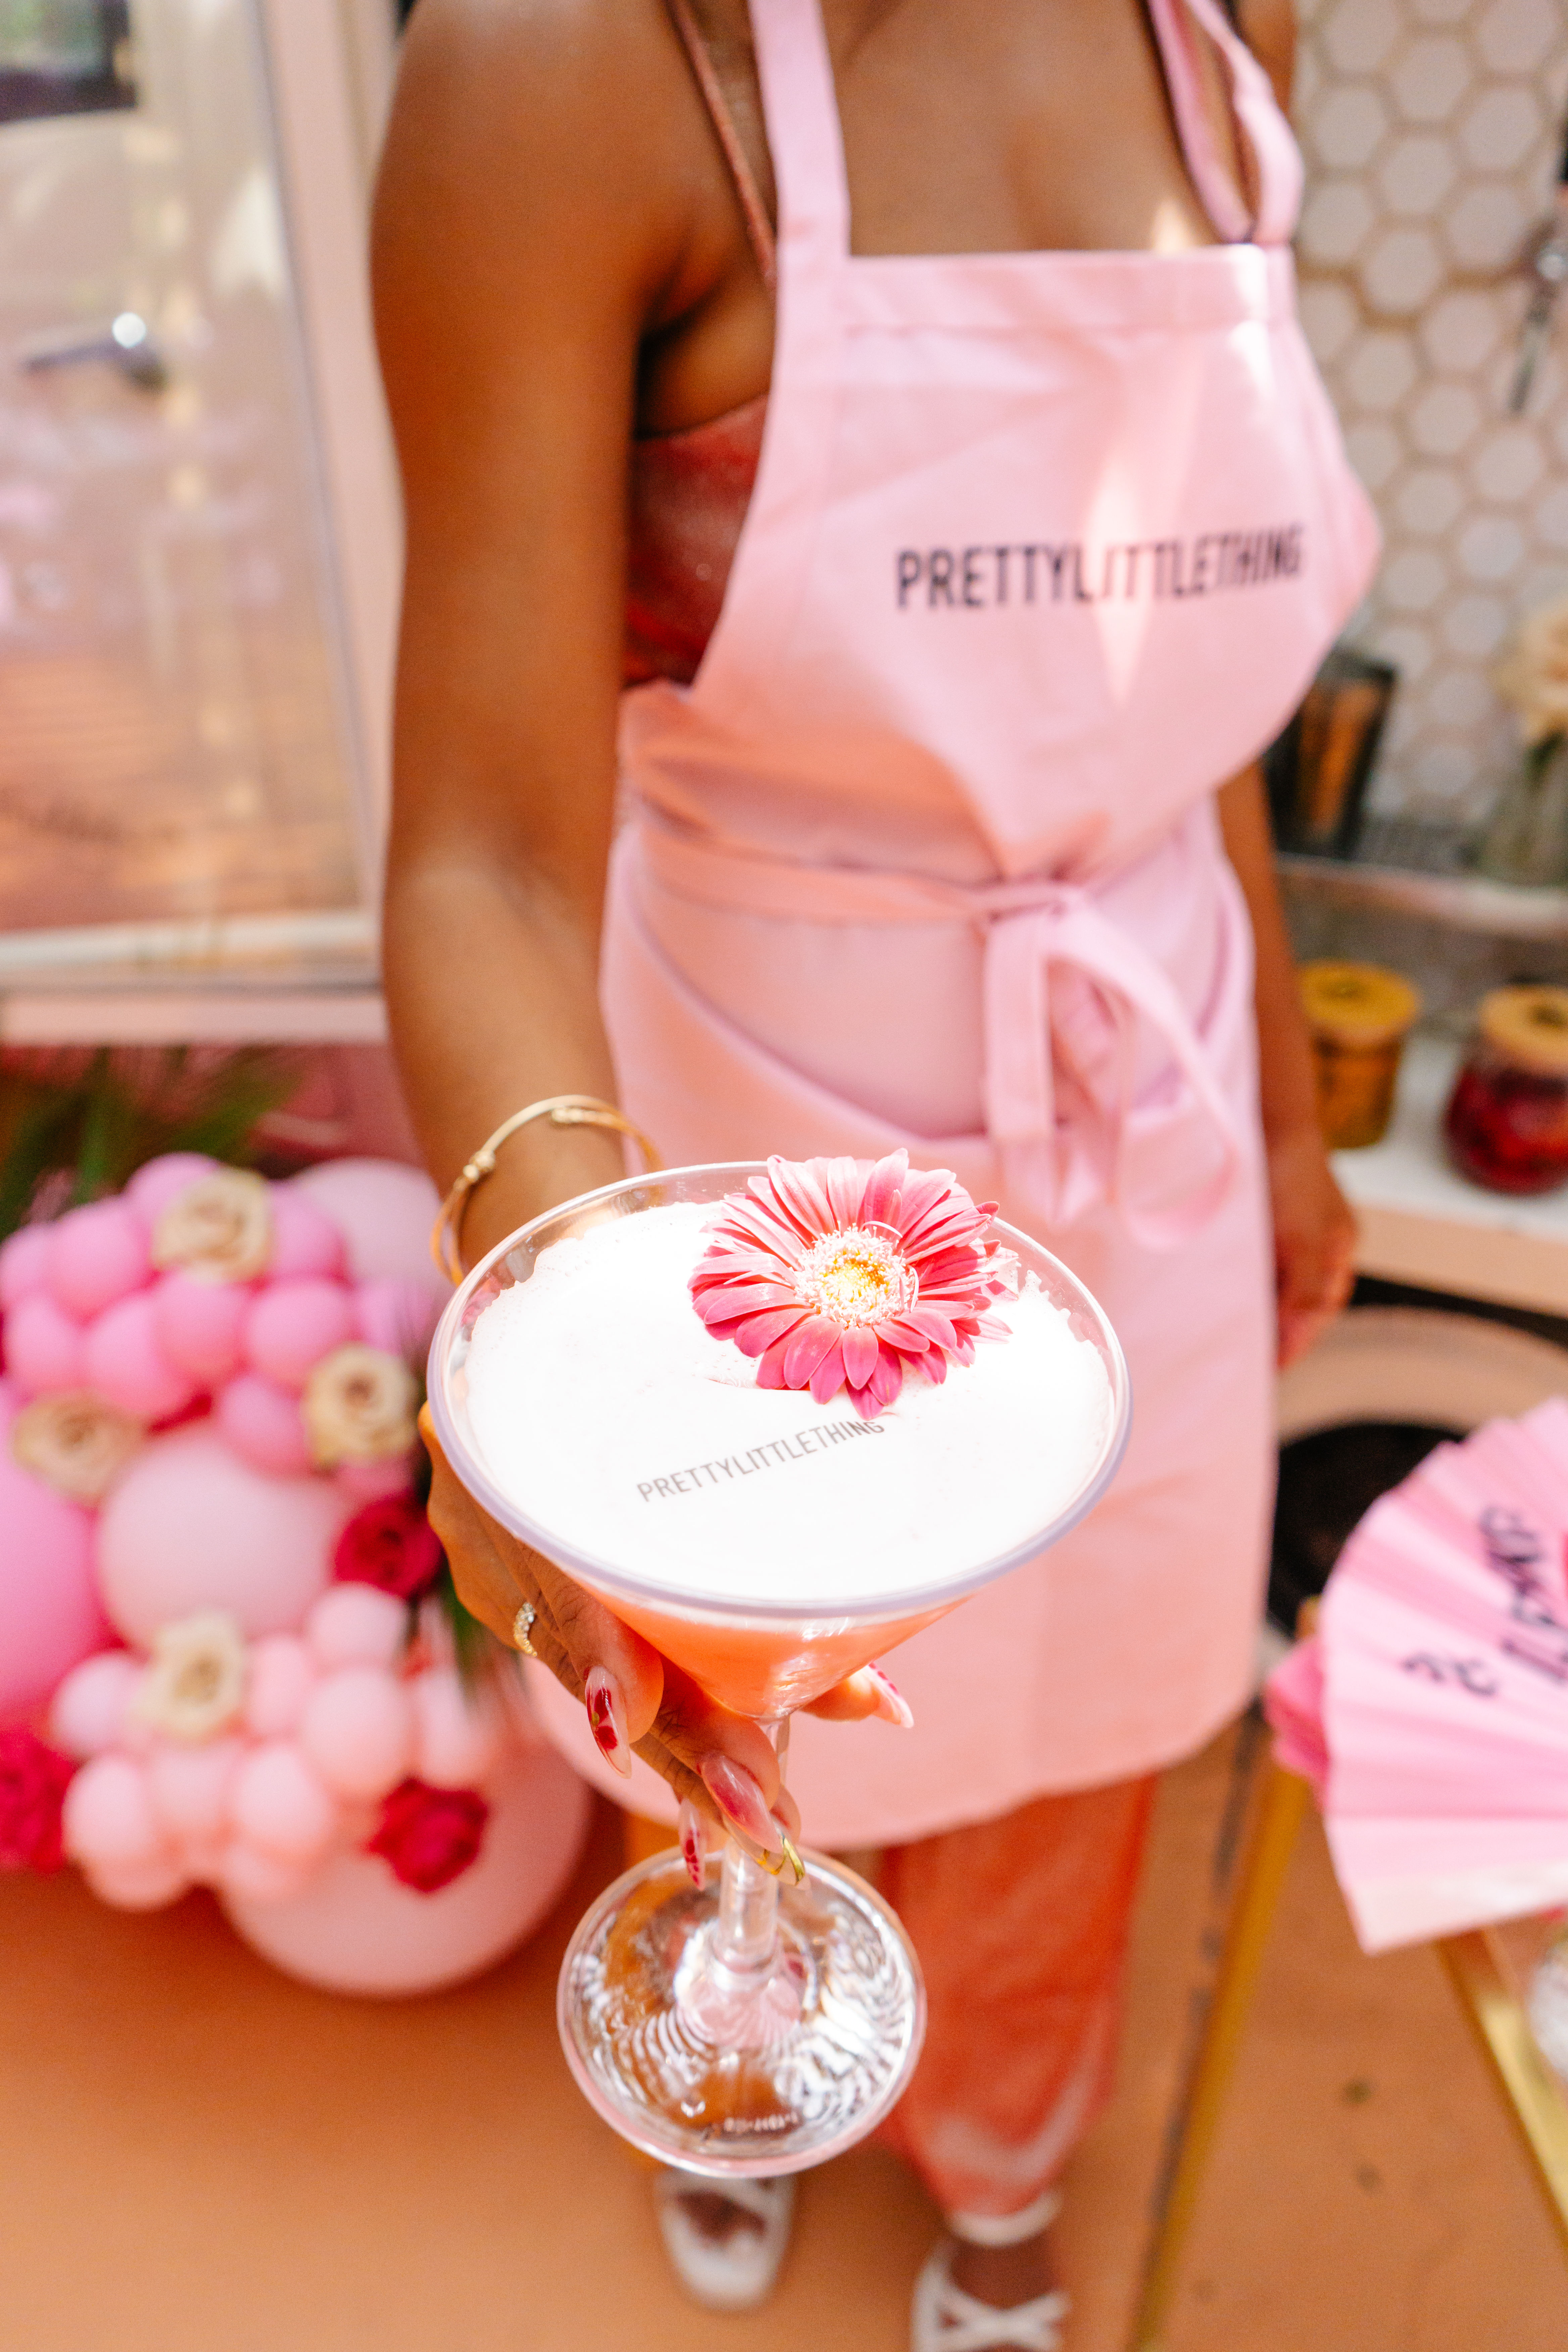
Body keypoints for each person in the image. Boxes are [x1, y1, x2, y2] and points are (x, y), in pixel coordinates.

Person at [373, 0, 1373, 2341]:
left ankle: (1000, 2159)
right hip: (749, 1114)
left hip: (1155, 1080)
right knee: (738, 1692)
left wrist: (1304, 1119)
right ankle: (744, 2057)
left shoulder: (1232, 38)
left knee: (1089, 1727)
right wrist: (571, 1352)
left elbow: (1170, 678)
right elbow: (491, 864)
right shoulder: (574, 72)